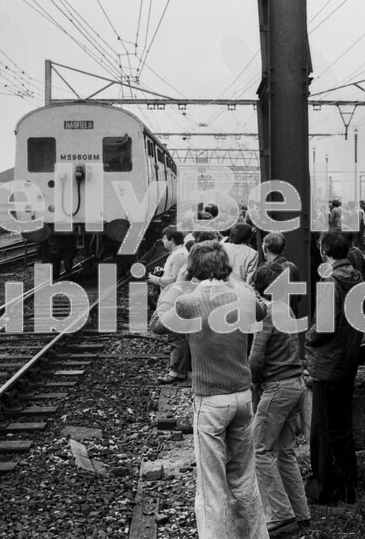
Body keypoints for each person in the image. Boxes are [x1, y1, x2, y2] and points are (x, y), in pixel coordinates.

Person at [152, 241, 268, 538]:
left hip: (211, 401)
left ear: (193, 267)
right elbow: (262, 310)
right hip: (242, 396)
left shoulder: (189, 302)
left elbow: (157, 325)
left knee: (213, 485)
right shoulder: (241, 294)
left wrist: (178, 283)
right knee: (244, 479)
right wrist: (236, 281)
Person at [249, 262, 311, 536]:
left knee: (258, 450)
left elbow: (256, 359)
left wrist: (251, 380)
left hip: (277, 389)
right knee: (285, 452)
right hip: (296, 385)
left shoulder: (266, 315)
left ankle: (280, 516)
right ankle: (300, 513)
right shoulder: (285, 309)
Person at [304, 232, 363, 510]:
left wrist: (308, 336)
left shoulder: (330, 282)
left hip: (327, 365)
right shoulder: (358, 280)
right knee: (342, 427)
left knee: (322, 429)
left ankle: (325, 487)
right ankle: (350, 485)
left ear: (325, 250)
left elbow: (323, 327)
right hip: (348, 361)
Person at [148, 226, 190, 385]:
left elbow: (174, 281)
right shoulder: (178, 254)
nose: (163, 241)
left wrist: (154, 279)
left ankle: (177, 372)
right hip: (174, 300)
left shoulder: (179, 256)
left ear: (172, 240)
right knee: (176, 336)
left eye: (165, 238)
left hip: (174, 301)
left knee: (176, 337)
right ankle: (179, 369)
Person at [261, 232, 302, 318]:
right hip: (292, 318)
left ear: (265, 249)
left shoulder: (266, 271)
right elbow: (298, 297)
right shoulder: (293, 267)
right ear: (283, 249)